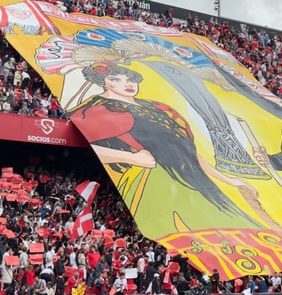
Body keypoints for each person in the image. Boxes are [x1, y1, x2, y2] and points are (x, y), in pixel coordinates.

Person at [68, 63, 263, 233]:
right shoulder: (99, 109)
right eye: (116, 79)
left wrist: (231, 181)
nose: (127, 84)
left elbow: (188, 155)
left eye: (131, 79)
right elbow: (92, 146)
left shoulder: (160, 108)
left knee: (234, 224)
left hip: (197, 183)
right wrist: (132, 158)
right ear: (103, 81)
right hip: (154, 182)